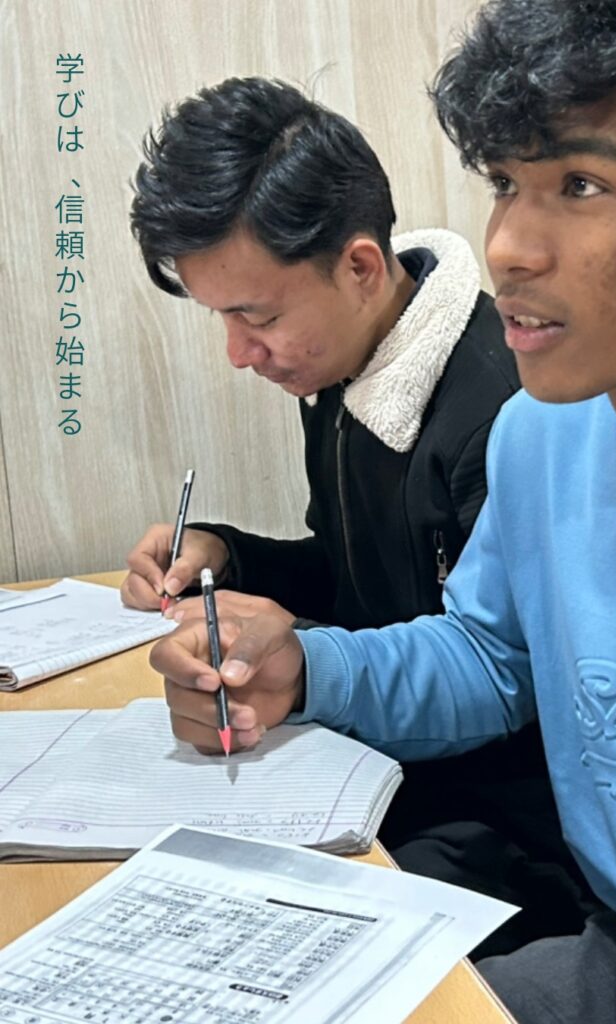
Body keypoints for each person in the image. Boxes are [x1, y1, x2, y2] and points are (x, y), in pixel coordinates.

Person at [150, 1, 616, 1021]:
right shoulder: (541, 437)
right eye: (505, 184)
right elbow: (490, 657)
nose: (506, 247)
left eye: (579, 184)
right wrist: (307, 670)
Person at [124, 77, 565, 957]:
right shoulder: (343, 375)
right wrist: (227, 558)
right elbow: (355, 575)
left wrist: (305, 673)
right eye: (222, 318)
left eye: (256, 316)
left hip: (501, 825)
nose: (238, 353)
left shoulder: (503, 410)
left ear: (361, 267)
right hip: (377, 764)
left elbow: (503, 675)